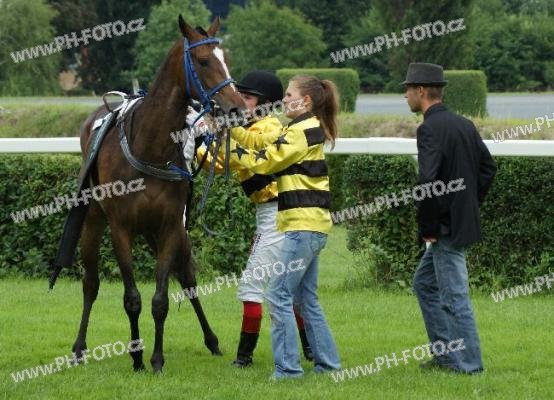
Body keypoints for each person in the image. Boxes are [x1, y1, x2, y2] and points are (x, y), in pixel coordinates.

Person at [192, 70, 313, 367]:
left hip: (277, 216)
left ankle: (244, 358)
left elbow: (226, 158)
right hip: (278, 214)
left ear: (264, 103)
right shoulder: (256, 125)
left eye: (246, 98)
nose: (239, 102)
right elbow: (218, 160)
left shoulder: (266, 127)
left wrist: (202, 137)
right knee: (290, 290)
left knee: (251, 286)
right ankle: (310, 349)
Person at [227, 75, 341, 379]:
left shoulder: (301, 131)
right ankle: (327, 364)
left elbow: (265, 162)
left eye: (288, 95)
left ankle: (288, 370)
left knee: (278, 296)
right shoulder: (302, 127)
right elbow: (258, 142)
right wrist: (232, 127)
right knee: (306, 300)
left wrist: (229, 149)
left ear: (305, 101)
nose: (283, 100)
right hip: (310, 225)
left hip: (301, 226)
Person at [402, 62, 496, 374]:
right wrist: (467, 204)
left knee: (454, 297)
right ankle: (445, 356)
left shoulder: (428, 128)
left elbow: (428, 182)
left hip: (444, 227)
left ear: (420, 91)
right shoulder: (464, 124)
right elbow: (488, 169)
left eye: (407, 90)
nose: (405, 96)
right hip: (458, 220)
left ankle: (470, 365)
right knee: (424, 284)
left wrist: (428, 228)